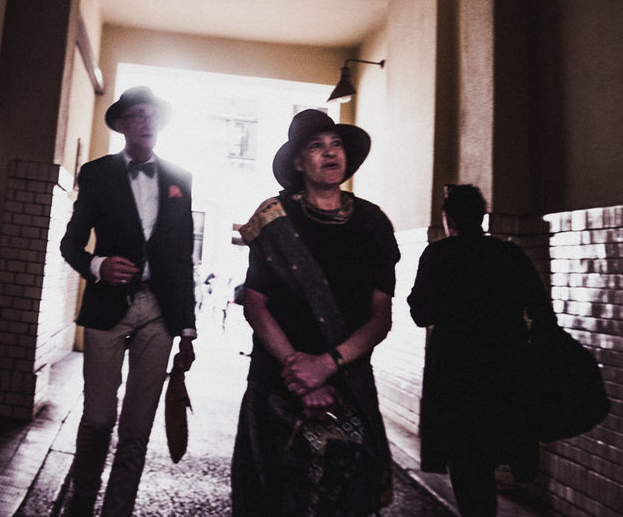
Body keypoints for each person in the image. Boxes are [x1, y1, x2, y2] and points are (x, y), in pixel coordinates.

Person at [231, 109, 400, 517]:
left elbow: (381, 316)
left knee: (347, 500)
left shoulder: (373, 222)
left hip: (349, 380)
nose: (329, 153)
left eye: (336, 144)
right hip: (276, 380)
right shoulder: (274, 219)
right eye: (316, 146)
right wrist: (300, 372)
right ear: (297, 161)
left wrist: (326, 364)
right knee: (267, 499)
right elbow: (256, 304)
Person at [58, 86, 197, 517]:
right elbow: (71, 244)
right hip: (108, 308)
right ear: (121, 125)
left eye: (153, 115)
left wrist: (187, 327)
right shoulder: (97, 174)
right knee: (99, 417)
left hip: (159, 312)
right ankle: (83, 493)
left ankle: (119, 508)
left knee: (137, 426)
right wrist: (98, 266)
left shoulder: (180, 179)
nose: (147, 121)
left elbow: (181, 255)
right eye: (138, 115)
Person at [407, 184, 553, 517]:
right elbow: (541, 310)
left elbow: (420, 314)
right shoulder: (509, 254)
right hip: (504, 374)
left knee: (466, 461)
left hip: (455, 377)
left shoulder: (438, 255)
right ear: (482, 216)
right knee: (493, 450)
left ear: (449, 219)